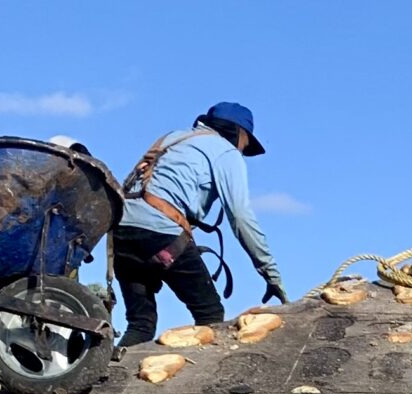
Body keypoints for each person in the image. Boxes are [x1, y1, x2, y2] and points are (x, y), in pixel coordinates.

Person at [114, 102, 285, 348]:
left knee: (140, 324)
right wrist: (271, 275)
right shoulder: (226, 152)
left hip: (122, 231)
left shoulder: (173, 139)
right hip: (162, 234)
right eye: (245, 144)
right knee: (210, 315)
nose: (242, 150)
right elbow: (240, 216)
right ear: (239, 134)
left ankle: (109, 371)